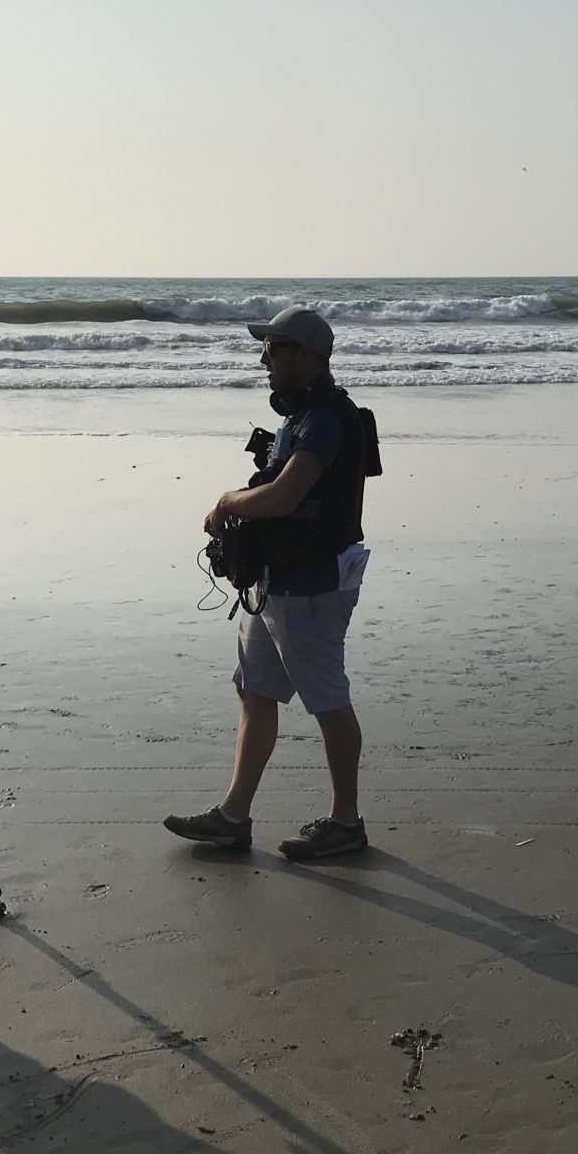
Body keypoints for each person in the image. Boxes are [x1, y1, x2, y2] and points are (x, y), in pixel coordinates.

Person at [166, 306, 373, 861]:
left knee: (327, 699)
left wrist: (228, 501)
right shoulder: (303, 414)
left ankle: (346, 822)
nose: (263, 359)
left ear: (306, 357)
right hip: (278, 579)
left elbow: (283, 497)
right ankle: (233, 817)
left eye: (273, 349)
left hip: (312, 582)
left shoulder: (326, 418)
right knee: (256, 690)